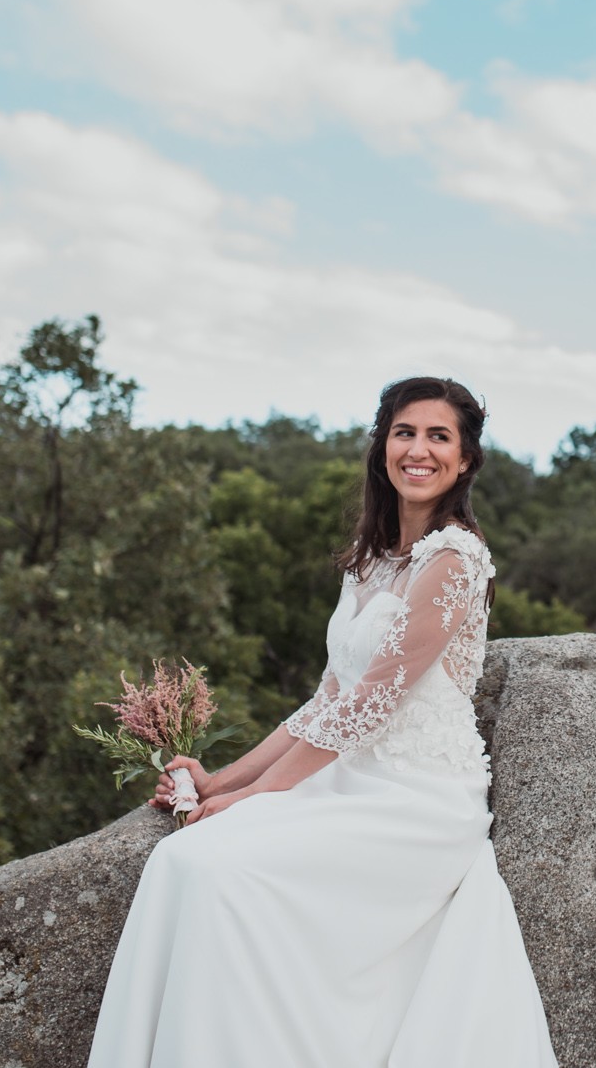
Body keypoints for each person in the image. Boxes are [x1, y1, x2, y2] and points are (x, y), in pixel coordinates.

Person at [87, 377, 559, 1068]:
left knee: (217, 870)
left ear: (464, 461)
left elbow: (371, 703)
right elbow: (326, 701)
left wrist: (250, 799)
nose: (418, 449)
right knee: (178, 861)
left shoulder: (454, 559)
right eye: (405, 432)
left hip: (415, 798)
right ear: (382, 446)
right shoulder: (371, 561)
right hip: (346, 774)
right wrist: (220, 777)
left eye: (439, 436)